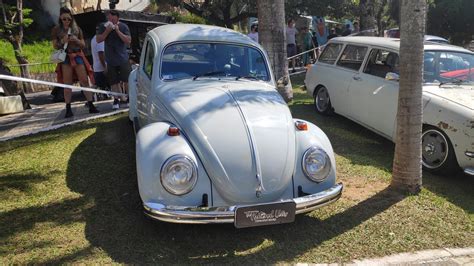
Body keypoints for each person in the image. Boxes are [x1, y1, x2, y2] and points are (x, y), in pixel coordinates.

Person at [51, 7, 99, 118]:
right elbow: (54, 45)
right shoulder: (56, 29)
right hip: (66, 57)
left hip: (77, 55)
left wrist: (76, 40)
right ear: (60, 18)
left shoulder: (77, 29)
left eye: (68, 19)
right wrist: (63, 41)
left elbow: (83, 44)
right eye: (64, 19)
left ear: (71, 18)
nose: (67, 21)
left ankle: (91, 104)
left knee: (84, 81)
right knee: (67, 84)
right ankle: (68, 108)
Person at [97, 9, 131, 110]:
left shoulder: (123, 26)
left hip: (123, 58)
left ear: (117, 18)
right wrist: (107, 31)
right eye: (109, 18)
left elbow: (128, 40)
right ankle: (116, 99)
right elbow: (98, 39)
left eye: (112, 18)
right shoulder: (103, 26)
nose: (110, 19)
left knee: (126, 80)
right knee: (114, 81)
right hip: (110, 59)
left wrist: (117, 30)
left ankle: (128, 98)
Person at [91, 25, 109, 100]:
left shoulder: (93, 38)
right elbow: (101, 53)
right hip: (101, 67)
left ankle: (90, 98)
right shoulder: (100, 40)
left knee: (98, 84)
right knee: (99, 84)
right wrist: (105, 67)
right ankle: (90, 98)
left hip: (97, 67)